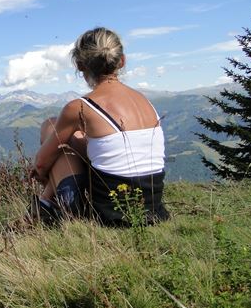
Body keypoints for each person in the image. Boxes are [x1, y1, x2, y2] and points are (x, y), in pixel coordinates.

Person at [30, 27, 169, 226]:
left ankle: (61, 205)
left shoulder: (79, 107)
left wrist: (44, 175)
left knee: (51, 127)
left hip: (110, 215)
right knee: (72, 140)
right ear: (122, 61)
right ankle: (47, 204)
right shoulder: (145, 101)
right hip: (152, 208)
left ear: (79, 65)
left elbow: (41, 164)